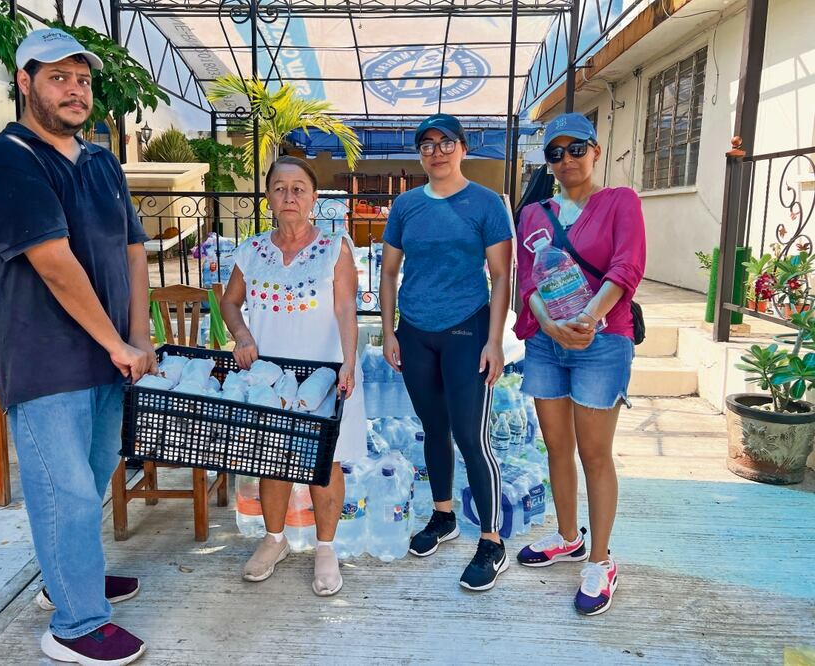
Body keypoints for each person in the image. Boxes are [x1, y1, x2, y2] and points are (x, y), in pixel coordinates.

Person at [0, 29, 155, 665]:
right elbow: (52, 261)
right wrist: (115, 342)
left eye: (82, 79)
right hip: (43, 358)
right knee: (64, 490)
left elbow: (132, 250)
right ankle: (75, 624)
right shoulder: (9, 160)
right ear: (24, 84)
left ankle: (68, 577)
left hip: (107, 359)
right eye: (57, 78)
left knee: (93, 477)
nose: (75, 91)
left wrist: (139, 336)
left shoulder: (100, 161)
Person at [512, 112, 646, 616]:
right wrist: (547, 324)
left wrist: (588, 317)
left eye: (575, 149)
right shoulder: (534, 214)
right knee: (556, 446)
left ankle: (601, 559)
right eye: (555, 153)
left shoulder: (620, 203)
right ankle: (568, 536)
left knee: (594, 452)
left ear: (595, 149)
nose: (566, 160)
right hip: (547, 342)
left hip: (603, 340)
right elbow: (527, 282)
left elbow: (626, 266)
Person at [379, 114, 514, 591]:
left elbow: (501, 275)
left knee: (471, 436)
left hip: (467, 328)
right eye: (427, 144)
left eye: (445, 142)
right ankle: (443, 516)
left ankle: (492, 542)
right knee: (432, 428)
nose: (436, 151)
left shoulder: (485, 203)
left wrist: (495, 340)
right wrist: (388, 330)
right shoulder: (407, 205)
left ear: (463, 148)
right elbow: (390, 271)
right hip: (415, 331)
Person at [221, 155, 366, 596]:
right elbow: (229, 303)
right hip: (270, 376)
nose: (289, 196)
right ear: (268, 197)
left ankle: (325, 547)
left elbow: (344, 307)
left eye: (299, 188)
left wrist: (348, 359)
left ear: (313, 198)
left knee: (327, 461)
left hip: (324, 371)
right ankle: (274, 539)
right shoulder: (251, 250)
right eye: (280, 188)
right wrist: (242, 336)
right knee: (273, 457)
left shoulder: (334, 247)